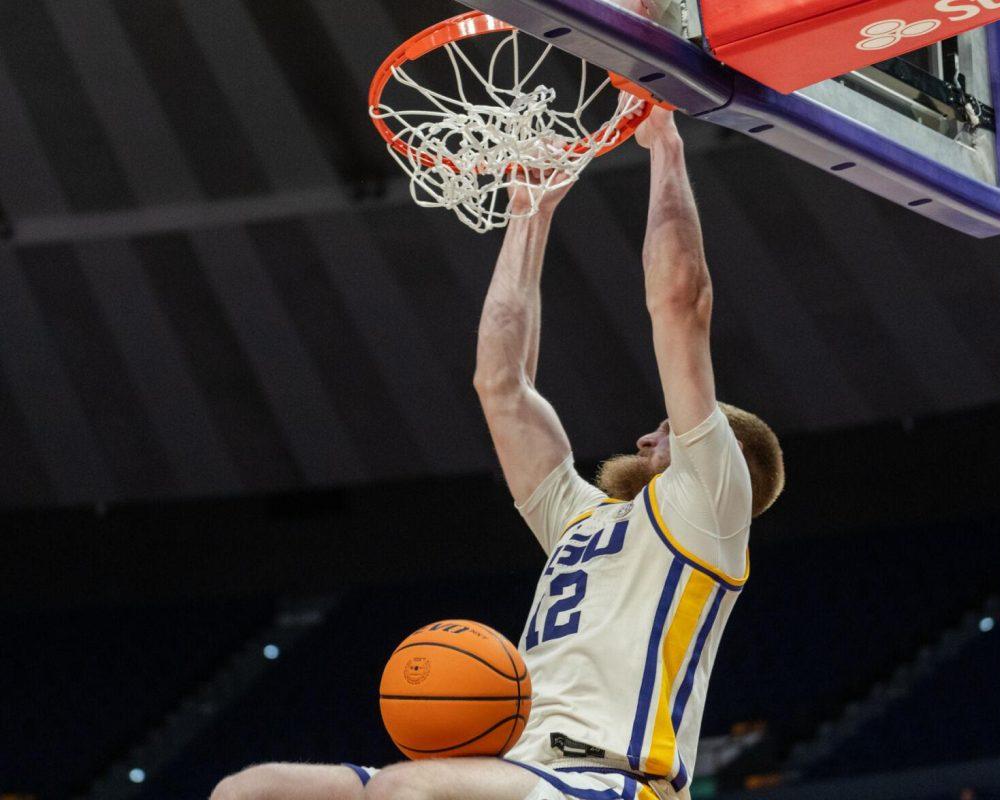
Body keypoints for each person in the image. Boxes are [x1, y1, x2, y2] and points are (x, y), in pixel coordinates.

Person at [210, 106, 784, 800]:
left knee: (403, 792)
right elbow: (502, 386)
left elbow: (681, 305)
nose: (645, 436)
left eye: (667, 431)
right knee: (251, 789)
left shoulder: (708, 512)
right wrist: (530, 212)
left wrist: (663, 139)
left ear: (722, 460)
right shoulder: (583, 520)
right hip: (527, 774)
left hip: (614, 783)